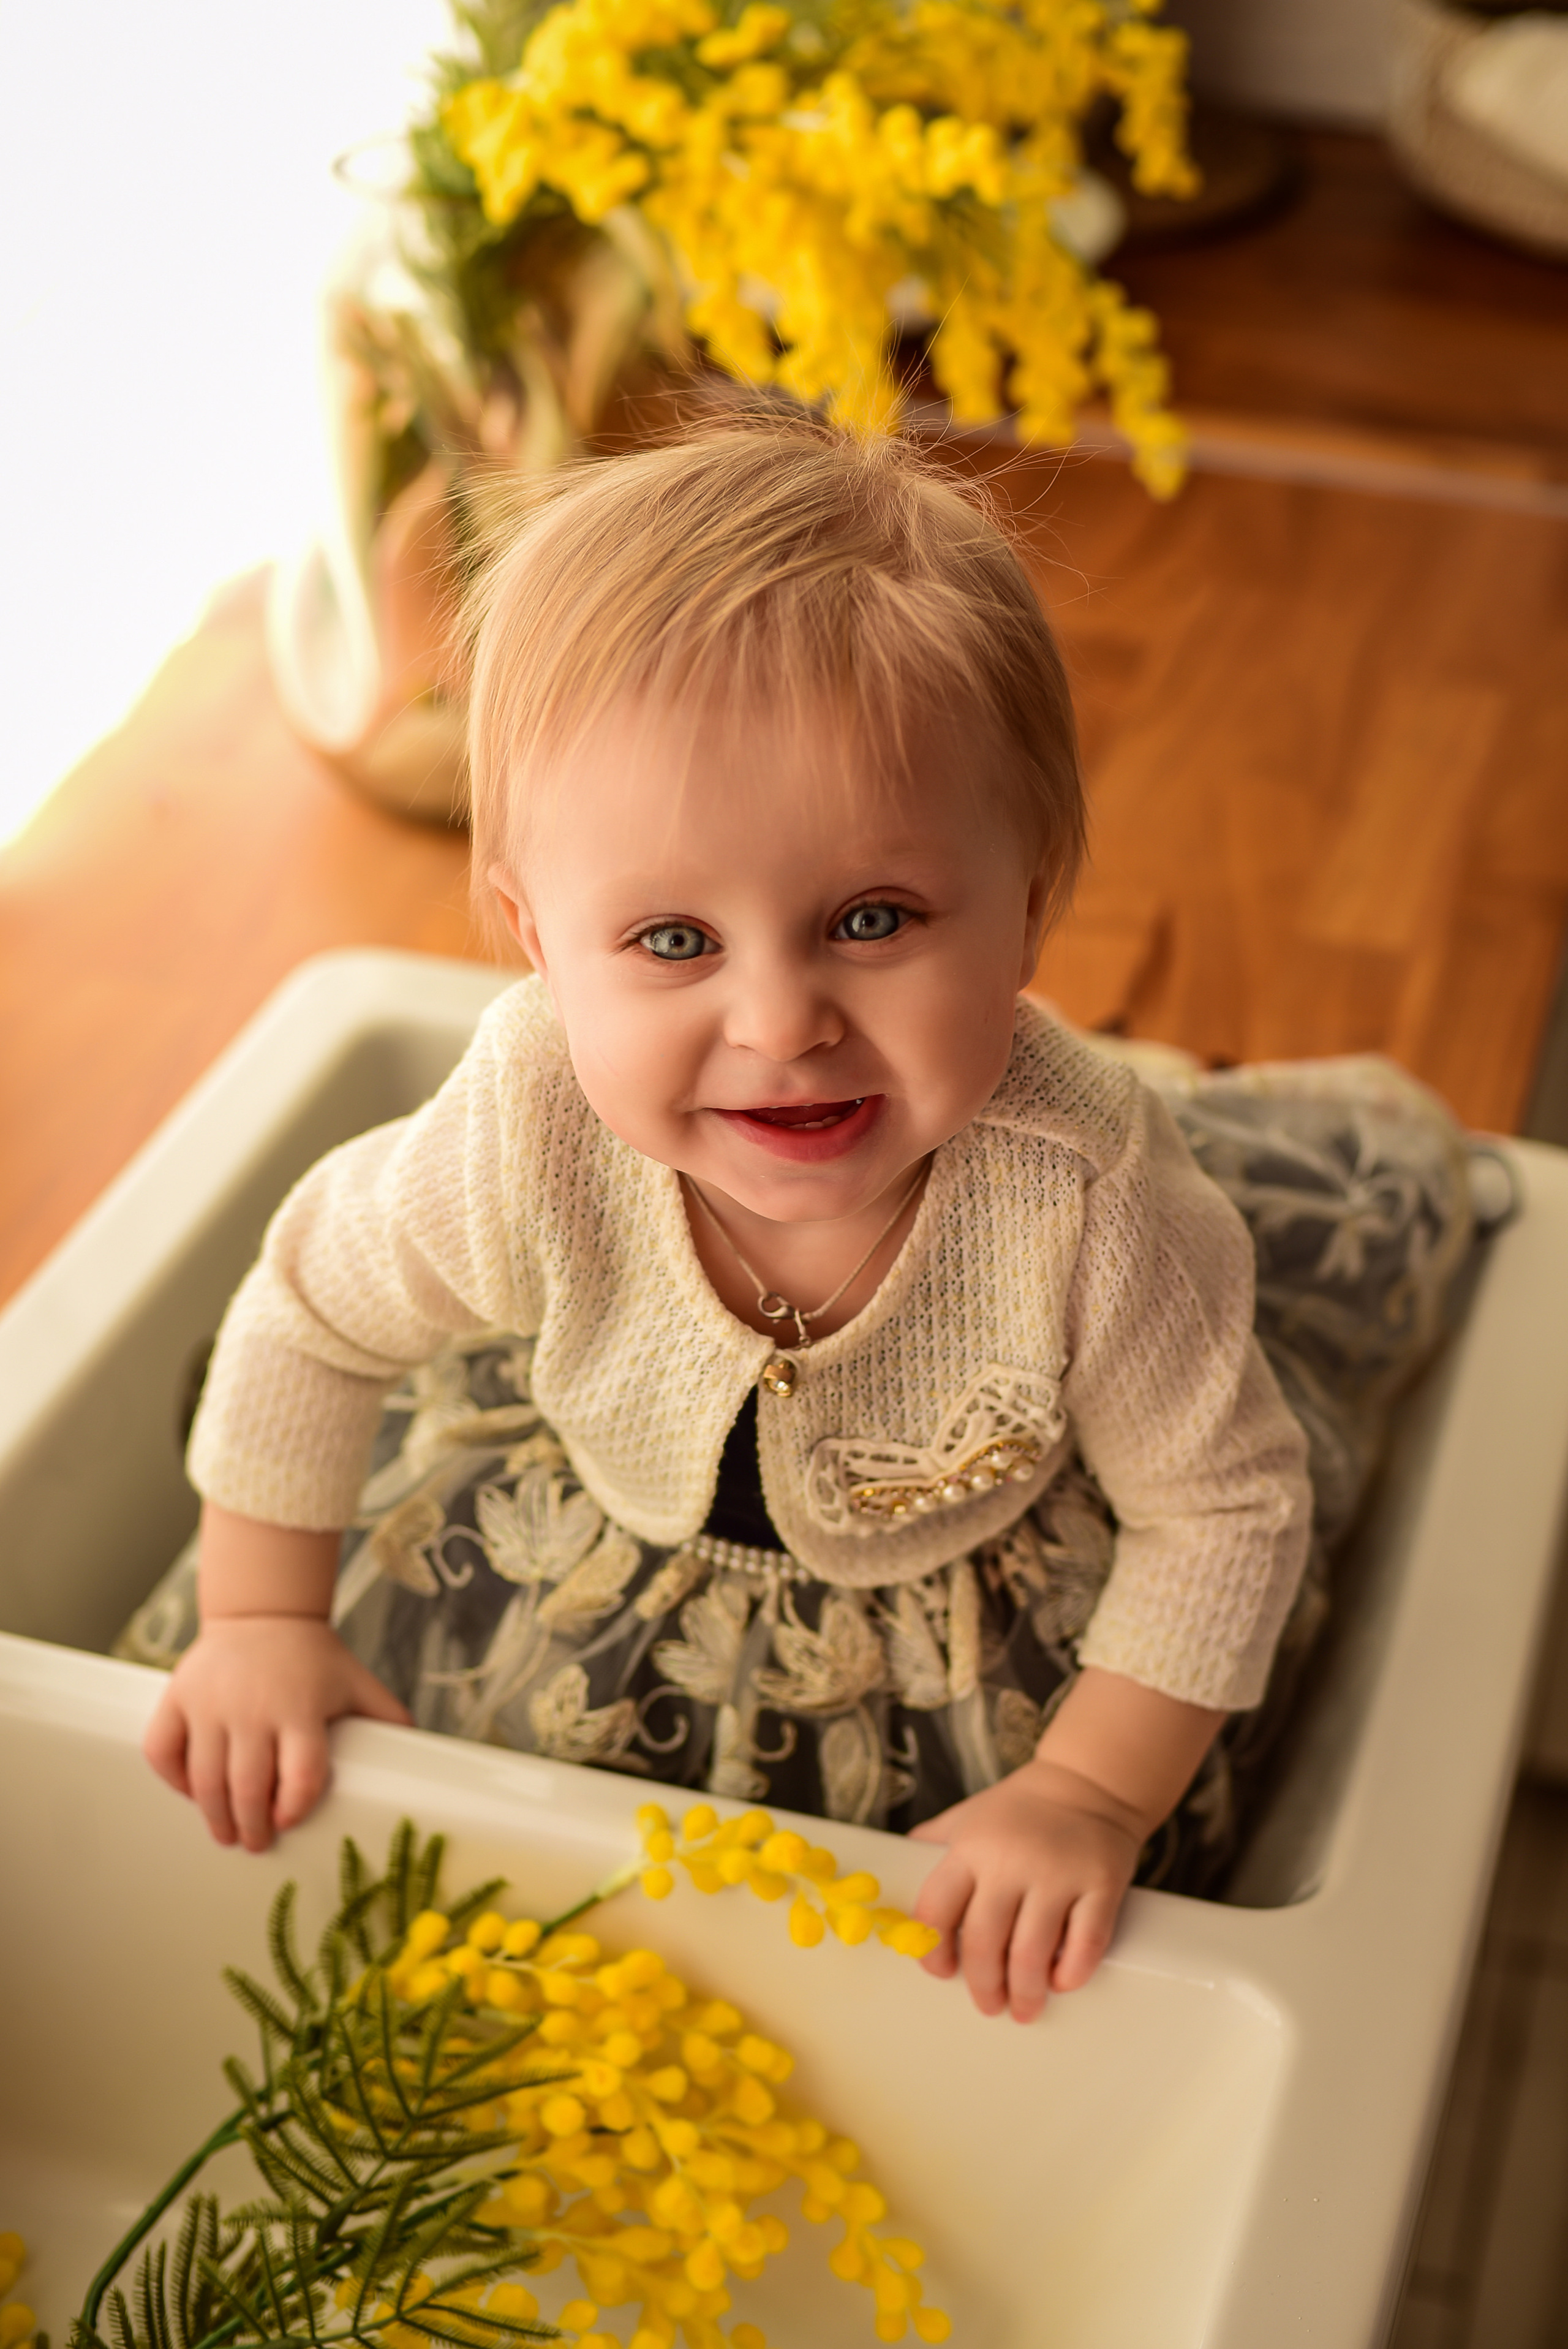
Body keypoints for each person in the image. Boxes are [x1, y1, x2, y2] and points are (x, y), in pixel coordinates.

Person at [146, 416, 1311, 2024]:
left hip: (959, 1654)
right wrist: (261, 1620)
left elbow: (1226, 1510)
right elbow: (311, 1311)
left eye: (872, 919)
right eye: (675, 938)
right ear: (537, 943)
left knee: (928, 1994)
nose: (781, 1020)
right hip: (579, 1558)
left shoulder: (1086, 1194)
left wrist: (1088, 1796)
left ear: (1034, 893)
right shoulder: (530, 1119)